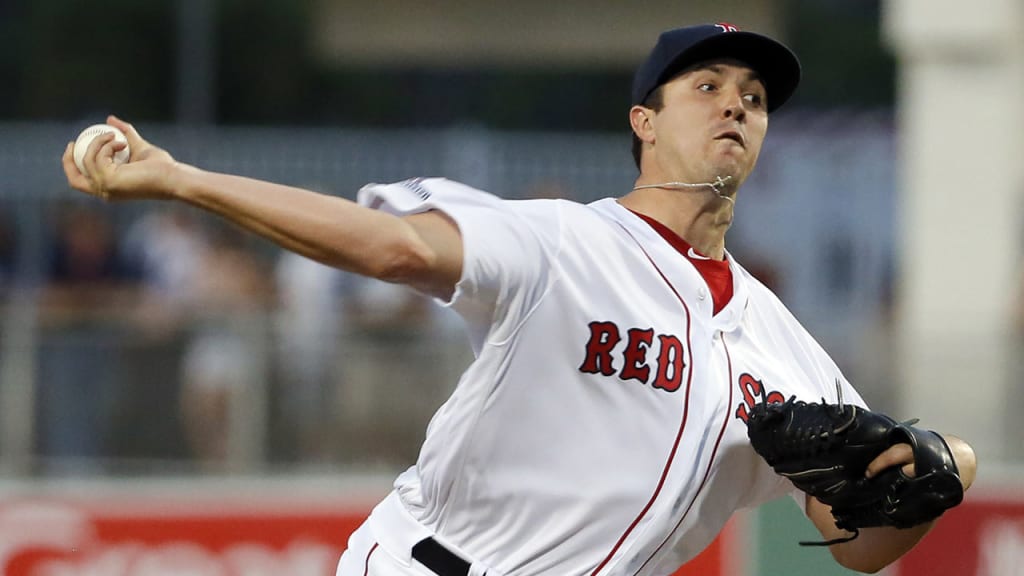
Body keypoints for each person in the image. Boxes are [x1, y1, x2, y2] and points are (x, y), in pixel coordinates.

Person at [63, 22, 976, 576]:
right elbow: (391, 245)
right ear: (644, 121)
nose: (735, 105)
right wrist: (183, 180)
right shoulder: (562, 241)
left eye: (754, 96)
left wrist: (938, 478)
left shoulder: (785, 346)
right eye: (706, 87)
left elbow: (853, 542)